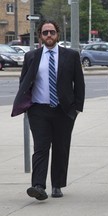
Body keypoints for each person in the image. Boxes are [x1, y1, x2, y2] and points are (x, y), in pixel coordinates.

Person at [11, 20, 85, 201]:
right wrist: (25, 106)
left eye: (52, 32)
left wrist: (76, 109)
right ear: (40, 36)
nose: (49, 36)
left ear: (57, 34)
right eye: (45, 33)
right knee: (41, 148)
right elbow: (24, 82)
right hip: (38, 111)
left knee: (61, 148)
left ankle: (57, 185)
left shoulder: (71, 55)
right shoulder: (32, 57)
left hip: (64, 111)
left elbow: (79, 84)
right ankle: (38, 185)